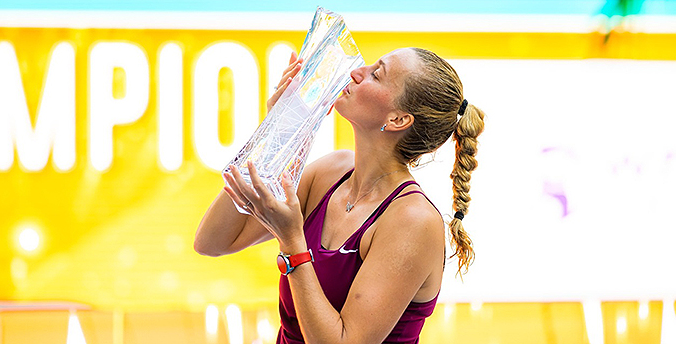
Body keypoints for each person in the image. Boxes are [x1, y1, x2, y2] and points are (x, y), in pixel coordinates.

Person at [194, 47, 485, 344]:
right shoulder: (330, 172)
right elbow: (213, 242)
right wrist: (278, 128)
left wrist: (292, 240)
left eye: (376, 74)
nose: (356, 72)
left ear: (398, 119)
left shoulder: (413, 220)